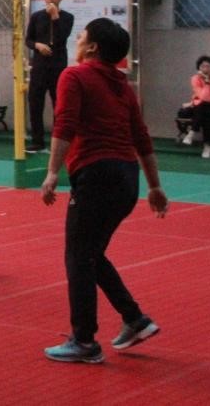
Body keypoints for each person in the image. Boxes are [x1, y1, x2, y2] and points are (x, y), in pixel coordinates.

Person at [40, 18, 168, 364]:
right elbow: (141, 137)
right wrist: (155, 186)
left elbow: (65, 124)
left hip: (97, 175)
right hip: (127, 179)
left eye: (81, 36)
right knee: (91, 253)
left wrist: (52, 172)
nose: (77, 40)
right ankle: (134, 319)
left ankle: (84, 341)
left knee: (78, 256)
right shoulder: (123, 85)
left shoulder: (74, 76)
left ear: (92, 47)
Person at [25, 0, 74, 154]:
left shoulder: (67, 17)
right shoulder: (36, 16)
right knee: (35, 102)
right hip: (39, 66)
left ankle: (57, 142)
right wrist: (37, 45)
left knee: (59, 104)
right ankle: (37, 142)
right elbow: (28, 40)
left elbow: (62, 37)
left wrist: (55, 16)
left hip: (58, 66)